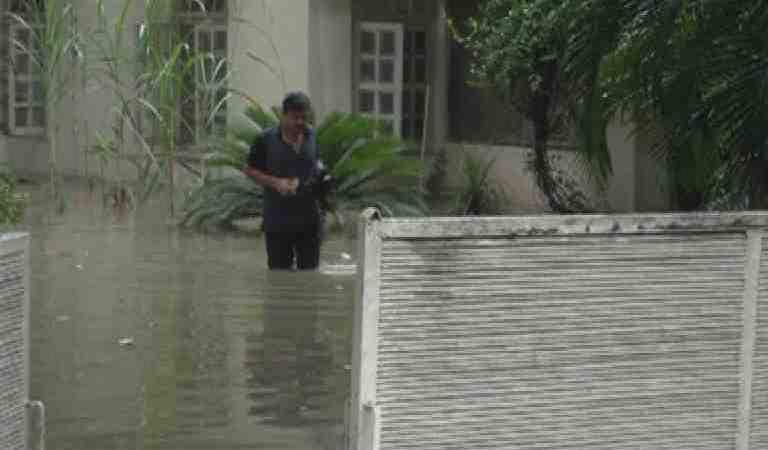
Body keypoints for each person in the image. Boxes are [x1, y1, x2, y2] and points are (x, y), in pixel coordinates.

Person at [244, 92, 323, 270]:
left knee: (309, 275)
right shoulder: (265, 140)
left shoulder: (312, 136)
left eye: (304, 117)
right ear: (283, 116)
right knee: (279, 276)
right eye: (295, 118)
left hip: (309, 221)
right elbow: (249, 170)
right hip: (278, 222)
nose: (300, 123)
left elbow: (317, 163)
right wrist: (276, 183)